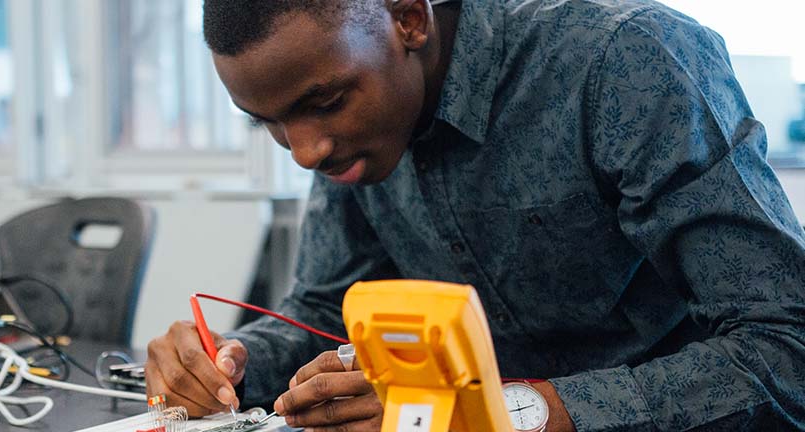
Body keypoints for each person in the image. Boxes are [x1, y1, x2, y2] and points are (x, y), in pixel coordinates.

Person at [144, 0, 805, 430]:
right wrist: (227, 361)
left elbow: (784, 349)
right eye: (271, 123)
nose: (305, 151)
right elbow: (322, 315)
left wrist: (499, 415)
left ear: (407, 18)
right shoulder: (354, 136)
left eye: (323, 102)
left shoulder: (622, 59)